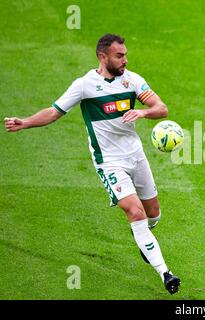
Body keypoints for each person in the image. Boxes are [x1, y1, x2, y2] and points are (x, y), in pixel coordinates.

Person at [4, 34, 181, 295]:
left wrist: (143, 112)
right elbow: (54, 112)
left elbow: (161, 108)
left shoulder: (133, 80)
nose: (125, 60)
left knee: (153, 214)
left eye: (125, 55)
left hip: (136, 156)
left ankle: (143, 237)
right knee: (136, 213)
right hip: (109, 162)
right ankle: (165, 273)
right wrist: (26, 122)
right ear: (102, 56)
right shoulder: (85, 85)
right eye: (119, 56)